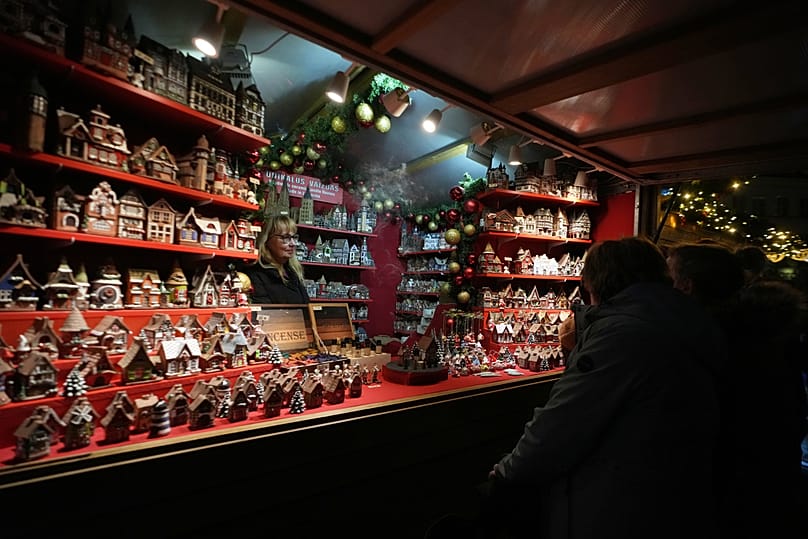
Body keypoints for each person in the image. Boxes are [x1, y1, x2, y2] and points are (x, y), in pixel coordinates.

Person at [486, 236, 726, 539]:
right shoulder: (683, 319)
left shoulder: (621, 334)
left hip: (617, 497)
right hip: (671, 490)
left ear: (596, 281)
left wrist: (509, 471)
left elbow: (565, 419)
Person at [240, 214, 310, 304]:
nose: (293, 243)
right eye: (285, 238)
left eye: (294, 237)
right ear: (267, 240)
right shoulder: (256, 274)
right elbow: (264, 312)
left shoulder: (292, 271)